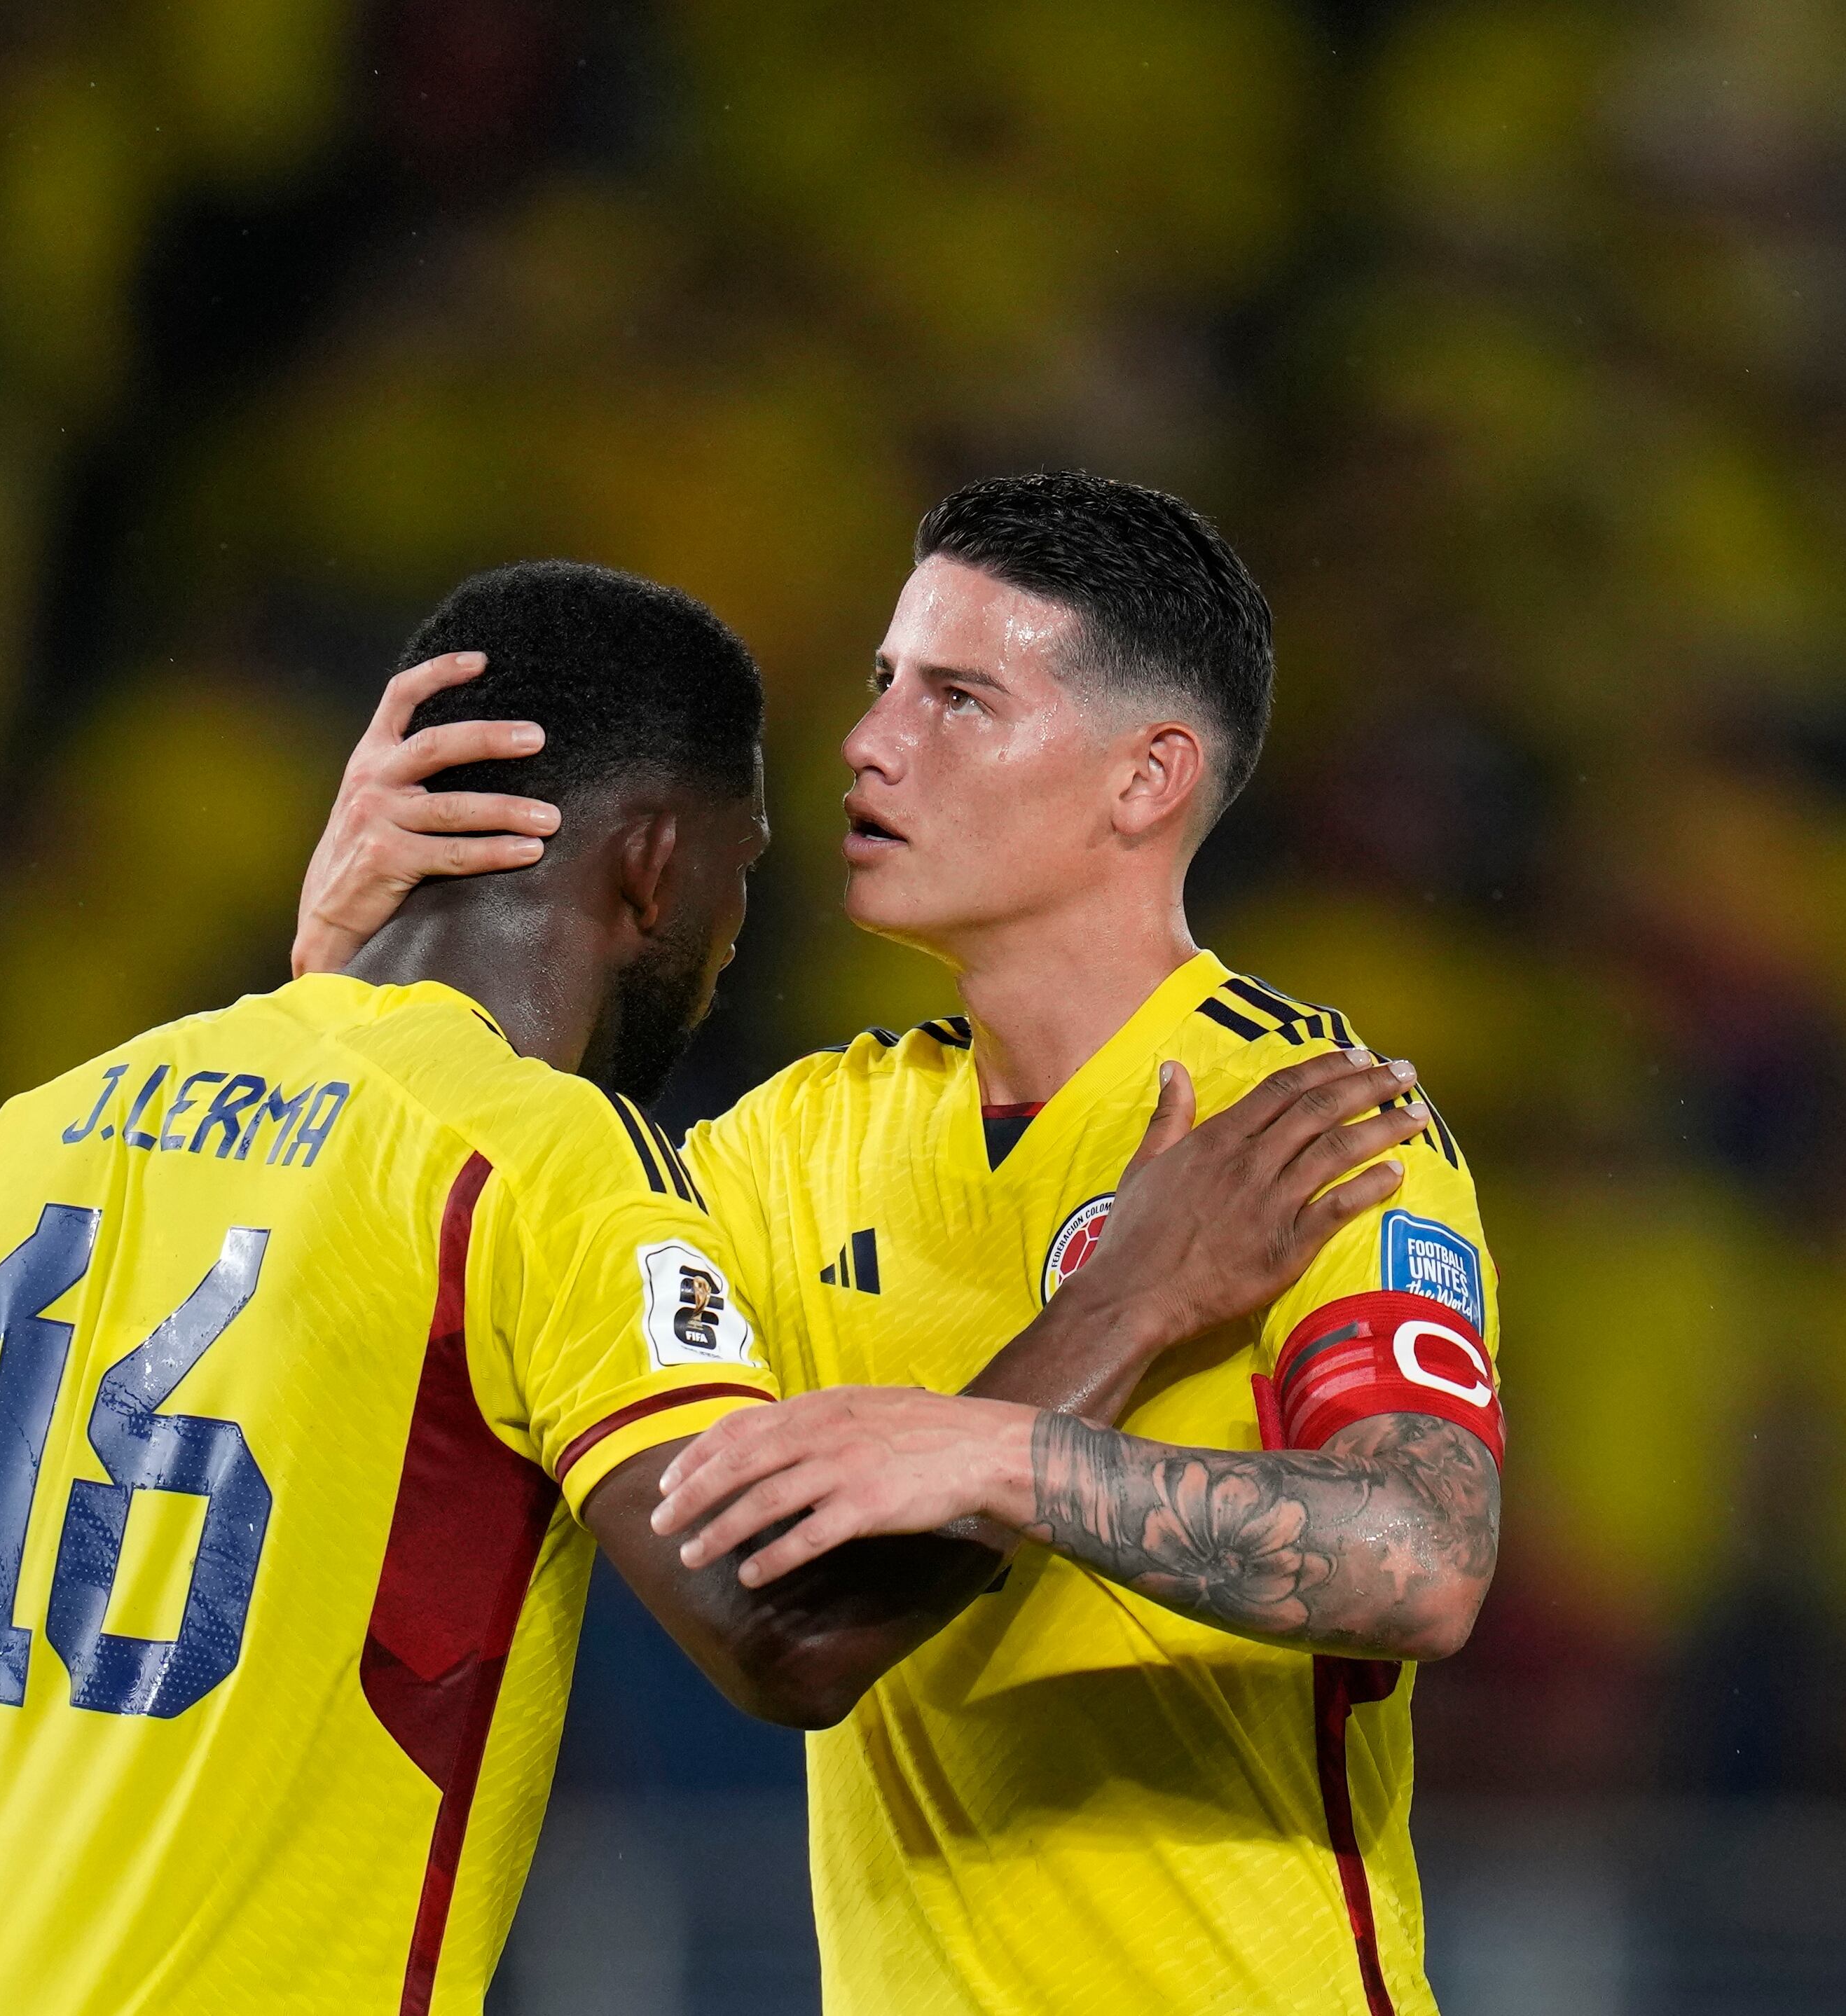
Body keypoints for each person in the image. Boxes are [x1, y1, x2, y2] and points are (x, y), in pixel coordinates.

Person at [0, 558, 1426, 2016]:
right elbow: (793, 1630)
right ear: (653, 866)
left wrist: (324, 968)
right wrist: (1124, 1300)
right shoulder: (541, 1164)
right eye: (740, 872)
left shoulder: (36, 1138)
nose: (741, 929)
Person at [294, 473, 1503, 2015]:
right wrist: (340, 970)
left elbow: (1422, 1556)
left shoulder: (1300, 1125)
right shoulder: (801, 1140)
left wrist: (997, 1459)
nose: (866, 743)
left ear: (1144, 779)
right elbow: (422, 1263)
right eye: (880, 684)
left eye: (957, 698)